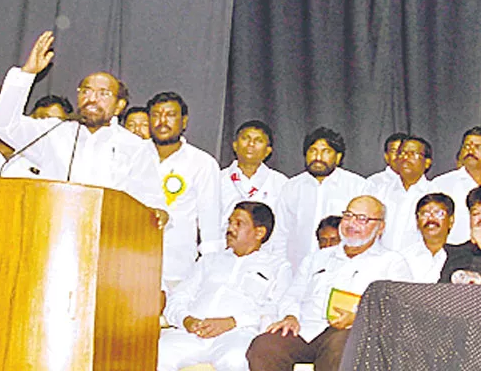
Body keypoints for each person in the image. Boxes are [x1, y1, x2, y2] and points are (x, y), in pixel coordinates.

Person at [0, 31, 166, 210]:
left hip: (111, 234)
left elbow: (151, 203)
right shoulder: (54, 132)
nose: (92, 99)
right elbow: (1, 124)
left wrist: (158, 212)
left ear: (119, 106)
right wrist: (26, 74)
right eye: (86, 91)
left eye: (103, 93)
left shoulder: (136, 147)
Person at [246, 196, 411, 370]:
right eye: (348, 216)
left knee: (343, 346)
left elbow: (399, 311)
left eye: (362, 219)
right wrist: (290, 316)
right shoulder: (317, 257)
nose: (352, 224)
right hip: (306, 329)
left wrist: (358, 319)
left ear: (380, 228)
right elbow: (293, 294)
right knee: (264, 346)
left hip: (351, 332)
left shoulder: (392, 262)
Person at [160, 201, 292, 371]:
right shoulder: (208, 260)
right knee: (159, 351)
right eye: (230, 222)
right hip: (192, 333)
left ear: (259, 232)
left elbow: (275, 309)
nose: (230, 228)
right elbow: (178, 297)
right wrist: (187, 320)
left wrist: (231, 322)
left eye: (239, 223)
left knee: (236, 359)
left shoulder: (278, 266)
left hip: (236, 335)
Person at [141, 91, 222, 286]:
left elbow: (210, 224)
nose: (162, 121)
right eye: (156, 115)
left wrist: (210, 276)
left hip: (176, 270)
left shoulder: (202, 163)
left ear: (184, 122)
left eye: (170, 115)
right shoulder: (132, 154)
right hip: (131, 261)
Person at [270, 127, 377, 271]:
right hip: (297, 269)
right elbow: (280, 233)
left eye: (325, 152)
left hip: (342, 270)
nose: (318, 157)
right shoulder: (291, 187)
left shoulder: (358, 186)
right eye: (313, 151)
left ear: (338, 157)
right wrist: (281, 268)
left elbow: (367, 233)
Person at [220, 120, 288, 235]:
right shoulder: (217, 179)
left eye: (259, 141)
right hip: (224, 248)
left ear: (268, 151)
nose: (251, 144)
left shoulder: (281, 183)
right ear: (235, 145)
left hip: (266, 251)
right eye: (245, 138)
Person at [380, 136, 437, 251]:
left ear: (427, 163)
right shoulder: (381, 192)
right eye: (401, 153)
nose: (405, 158)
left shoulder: (434, 194)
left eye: (413, 154)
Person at [399, 193, 454, 283]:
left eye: (438, 213)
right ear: (417, 221)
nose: (431, 218)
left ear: (451, 220)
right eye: (425, 213)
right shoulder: (404, 257)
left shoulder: (462, 255)